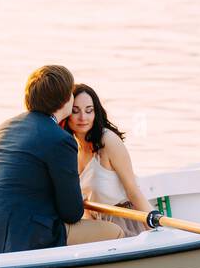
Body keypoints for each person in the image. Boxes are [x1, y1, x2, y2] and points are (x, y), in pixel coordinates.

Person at [0, 65, 121, 257]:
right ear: (66, 100)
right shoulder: (60, 140)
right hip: (21, 234)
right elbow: (71, 213)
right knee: (115, 233)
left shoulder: (4, 127)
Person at [66, 84, 154, 237]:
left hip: (124, 222)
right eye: (75, 111)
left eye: (89, 110)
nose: (83, 117)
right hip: (96, 225)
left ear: (96, 112)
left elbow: (133, 190)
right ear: (66, 113)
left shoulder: (108, 141)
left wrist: (156, 229)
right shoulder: (71, 148)